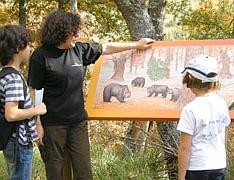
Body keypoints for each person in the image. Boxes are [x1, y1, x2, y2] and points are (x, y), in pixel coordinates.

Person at [27, 10, 154, 180]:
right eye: (73, 32)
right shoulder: (40, 56)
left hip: (78, 122)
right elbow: (33, 90)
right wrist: (37, 123)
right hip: (52, 125)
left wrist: (136, 45)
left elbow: (106, 47)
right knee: (56, 172)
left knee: (84, 171)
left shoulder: (79, 50)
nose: (77, 35)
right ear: (61, 32)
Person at [0, 25, 47, 180]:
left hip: (14, 142)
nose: (29, 50)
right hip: (18, 142)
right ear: (18, 48)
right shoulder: (13, 78)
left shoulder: (5, 74)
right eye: (28, 45)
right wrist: (37, 110)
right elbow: (11, 114)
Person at [177, 55, 231, 180]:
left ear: (190, 81)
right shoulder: (222, 103)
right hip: (218, 164)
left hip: (196, 167)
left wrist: (181, 176)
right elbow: (224, 135)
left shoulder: (190, 110)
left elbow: (185, 148)